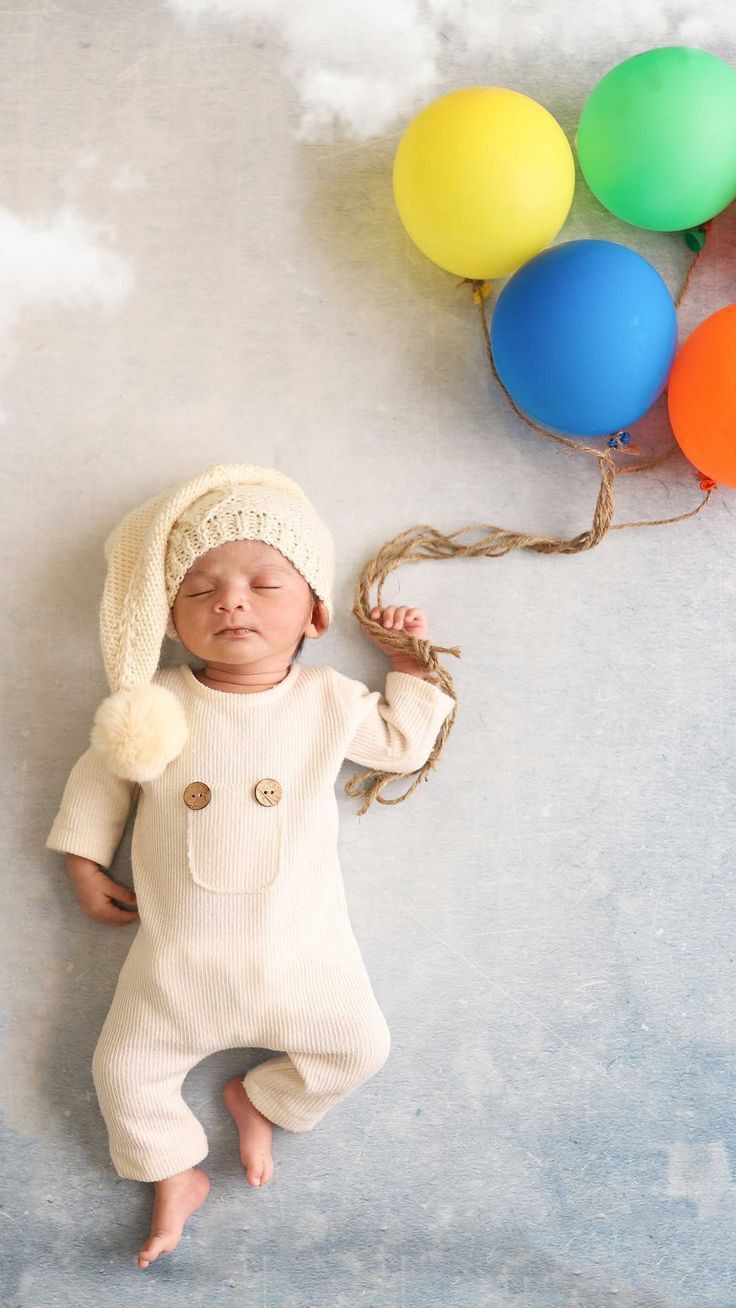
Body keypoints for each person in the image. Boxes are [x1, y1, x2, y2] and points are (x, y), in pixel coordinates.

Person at [45, 462, 455, 1270]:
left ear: (314, 612)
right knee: (121, 1072)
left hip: (302, 961)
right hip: (174, 972)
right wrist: (84, 860)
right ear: (169, 617)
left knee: (360, 1048)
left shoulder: (329, 700)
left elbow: (402, 748)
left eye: (265, 582)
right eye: (200, 590)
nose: (231, 599)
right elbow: (101, 775)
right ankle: (176, 1172)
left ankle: (260, 1096)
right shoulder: (156, 703)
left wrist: (409, 666)